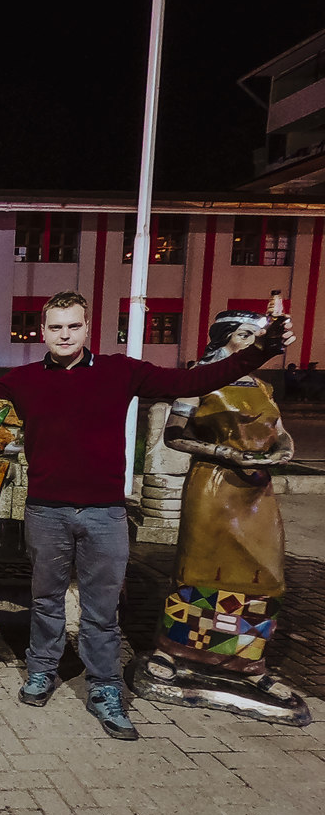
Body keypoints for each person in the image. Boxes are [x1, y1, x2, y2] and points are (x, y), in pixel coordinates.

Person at [0, 291, 296, 740]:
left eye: (73, 326)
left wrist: (263, 349)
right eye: (55, 327)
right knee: (46, 601)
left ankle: (104, 687)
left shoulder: (120, 370)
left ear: (87, 328)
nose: (64, 334)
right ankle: (42, 670)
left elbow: (194, 382)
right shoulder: (22, 380)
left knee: (101, 611)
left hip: (105, 514)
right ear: (43, 331)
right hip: (46, 511)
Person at [134, 310, 309, 723]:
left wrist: (284, 447)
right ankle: (176, 651)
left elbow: (278, 428)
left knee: (264, 573)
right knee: (199, 569)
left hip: (255, 490)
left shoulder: (263, 385)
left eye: (256, 335)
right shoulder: (201, 378)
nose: (252, 341)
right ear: (224, 338)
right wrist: (223, 453)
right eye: (245, 334)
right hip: (213, 486)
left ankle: (247, 662)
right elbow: (175, 433)